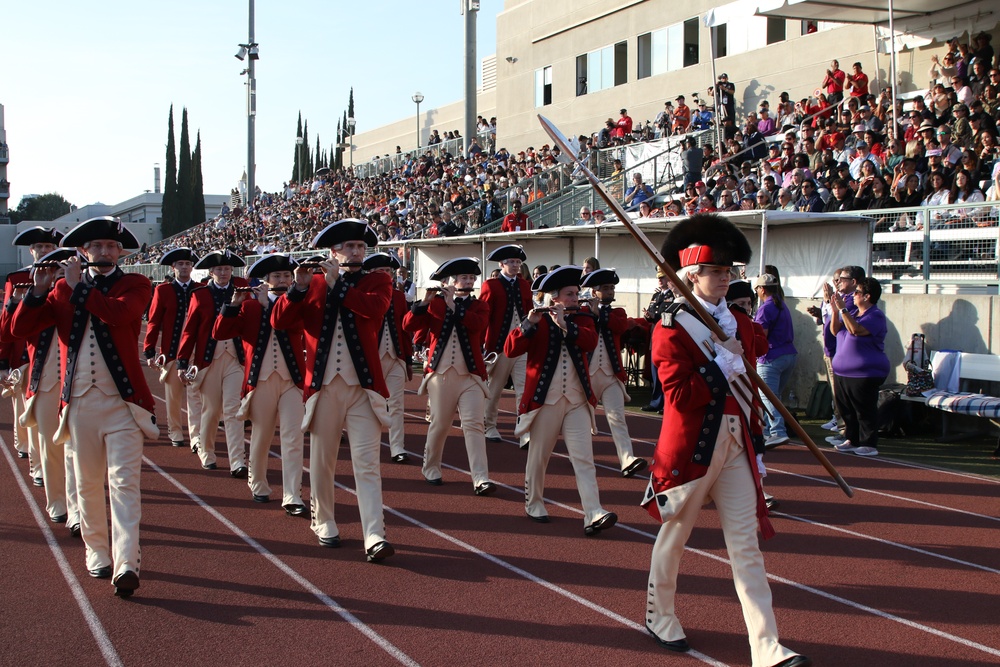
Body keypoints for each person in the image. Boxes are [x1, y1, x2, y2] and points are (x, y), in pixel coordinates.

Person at [642, 214, 809, 667]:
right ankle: (660, 614)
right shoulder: (671, 327)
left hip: (736, 445)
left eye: (728, 271)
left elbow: (749, 384)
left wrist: (737, 370)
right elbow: (677, 395)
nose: (726, 278)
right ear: (692, 275)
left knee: (746, 547)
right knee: (674, 536)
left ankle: (766, 646)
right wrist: (720, 366)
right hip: (692, 448)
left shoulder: (740, 323)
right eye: (716, 272)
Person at [12, 217, 158, 598]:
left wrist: (76, 287)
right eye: (96, 246)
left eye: (111, 246)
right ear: (83, 252)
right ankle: (97, 551)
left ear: (121, 251)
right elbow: (20, 329)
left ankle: (127, 560)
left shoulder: (136, 284)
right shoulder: (60, 289)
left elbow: (120, 315)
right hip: (77, 403)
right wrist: (37, 292)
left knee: (124, 485)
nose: (105, 252)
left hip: (124, 405)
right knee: (89, 484)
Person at [271, 219, 395, 562]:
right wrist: (296, 288)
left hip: (364, 388)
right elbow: (280, 322)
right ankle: (324, 520)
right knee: (323, 461)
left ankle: (374, 533)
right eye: (348, 247)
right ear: (333, 252)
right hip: (323, 387)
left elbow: (374, 309)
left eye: (360, 247)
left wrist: (338, 283)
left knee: (367, 463)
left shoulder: (378, 280)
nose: (356, 252)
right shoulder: (312, 283)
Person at [505, 265, 617, 535]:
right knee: (540, 456)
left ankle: (593, 512)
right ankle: (534, 502)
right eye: (569, 294)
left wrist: (567, 326)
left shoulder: (582, 318)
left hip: (577, 400)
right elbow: (511, 349)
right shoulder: (538, 320)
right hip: (546, 401)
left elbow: (590, 342)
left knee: (584, 458)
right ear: (554, 297)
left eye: (576, 293)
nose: (575, 299)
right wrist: (528, 324)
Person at [212, 254, 307, 515]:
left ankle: (292, 495)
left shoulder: (297, 303)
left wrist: (274, 305)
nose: (283, 280)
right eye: (277, 276)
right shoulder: (250, 306)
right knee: (262, 436)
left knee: (293, 437)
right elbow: (220, 332)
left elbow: (294, 324)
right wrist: (233, 305)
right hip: (261, 380)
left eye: (287, 276)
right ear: (265, 281)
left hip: (292, 380)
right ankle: (259, 483)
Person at [1, 227, 76, 529]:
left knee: (75, 446)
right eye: (38, 246)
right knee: (47, 441)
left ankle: (77, 506)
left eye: (49, 245)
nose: (44, 251)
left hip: (76, 371)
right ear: (30, 251)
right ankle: (57, 500)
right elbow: (9, 329)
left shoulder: (72, 276)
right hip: (39, 367)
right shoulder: (18, 280)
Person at [403, 257, 497, 495]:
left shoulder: (479, 305)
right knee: (440, 423)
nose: (469, 281)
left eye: (471, 278)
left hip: (471, 376)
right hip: (441, 373)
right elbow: (408, 326)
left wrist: (454, 307)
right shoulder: (434, 303)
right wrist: (423, 302)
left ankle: (481, 477)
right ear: (450, 281)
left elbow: (478, 326)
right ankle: (431, 467)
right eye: (464, 277)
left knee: (475, 425)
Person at [176, 250, 250, 476]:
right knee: (210, 409)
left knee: (233, 409)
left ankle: (238, 460)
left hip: (235, 358)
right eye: (219, 269)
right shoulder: (200, 295)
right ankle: (206, 451)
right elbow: (189, 331)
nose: (224, 273)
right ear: (211, 272)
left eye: (227, 269)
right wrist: (182, 361)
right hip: (207, 359)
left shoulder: (243, 293)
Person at [581, 268, 648, 478]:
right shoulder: (582, 313)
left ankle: (627, 459)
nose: (610, 292)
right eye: (605, 289)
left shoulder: (617, 312)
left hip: (612, 375)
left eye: (611, 288)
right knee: (583, 420)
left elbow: (620, 326)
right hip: (587, 374)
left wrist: (598, 314)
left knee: (617, 418)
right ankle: (581, 457)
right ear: (594, 292)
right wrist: (590, 313)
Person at [143, 248, 200, 451]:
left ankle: (197, 436)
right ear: (173, 267)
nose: (184, 267)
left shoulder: (200, 289)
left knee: (197, 396)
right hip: (172, 351)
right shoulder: (163, 291)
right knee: (174, 396)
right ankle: (175, 430)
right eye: (180, 264)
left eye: (187, 264)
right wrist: (149, 350)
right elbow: (153, 321)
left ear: (192, 267)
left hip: (196, 352)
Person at [830, 277, 889, 457]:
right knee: (846, 408)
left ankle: (869, 443)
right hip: (843, 371)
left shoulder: (875, 316)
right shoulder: (854, 313)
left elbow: (856, 330)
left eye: (857, 292)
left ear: (867, 296)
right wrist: (835, 311)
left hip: (865, 372)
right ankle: (852, 438)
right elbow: (835, 330)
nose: (854, 295)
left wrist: (843, 309)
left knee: (864, 408)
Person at [481, 245, 533, 447]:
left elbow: (529, 313)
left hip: (521, 344)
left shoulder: (524, 285)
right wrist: (484, 344)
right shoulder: (490, 285)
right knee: (494, 389)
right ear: (502, 264)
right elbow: (485, 315)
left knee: (524, 389)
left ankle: (523, 431)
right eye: (512, 262)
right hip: (499, 346)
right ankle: (489, 426)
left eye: (518, 262)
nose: (516, 265)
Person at [364, 253, 414, 465]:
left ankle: (397, 447)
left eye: (389, 272)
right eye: (381, 272)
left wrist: (409, 360)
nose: (387, 276)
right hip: (369, 358)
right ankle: (367, 443)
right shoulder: (363, 294)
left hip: (395, 356)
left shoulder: (399, 297)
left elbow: (404, 330)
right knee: (366, 405)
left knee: (396, 404)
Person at [753, 273, 797, 448]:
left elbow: (761, 336)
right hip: (788, 354)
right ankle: (763, 430)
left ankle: (777, 431)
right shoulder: (781, 305)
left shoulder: (766, 308)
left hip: (771, 357)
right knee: (772, 395)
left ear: (762, 289)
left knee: (767, 396)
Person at [641, 268, 674, 413]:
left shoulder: (673, 295)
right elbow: (652, 312)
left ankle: (666, 403)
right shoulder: (656, 295)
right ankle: (656, 402)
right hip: (656, 334)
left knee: (666, 370)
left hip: (667, 334)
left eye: (663, 277)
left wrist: (654, 316)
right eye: (659, 278)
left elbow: (668, 316)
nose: (660, 280)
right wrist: (648, 316)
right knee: (655, 370)